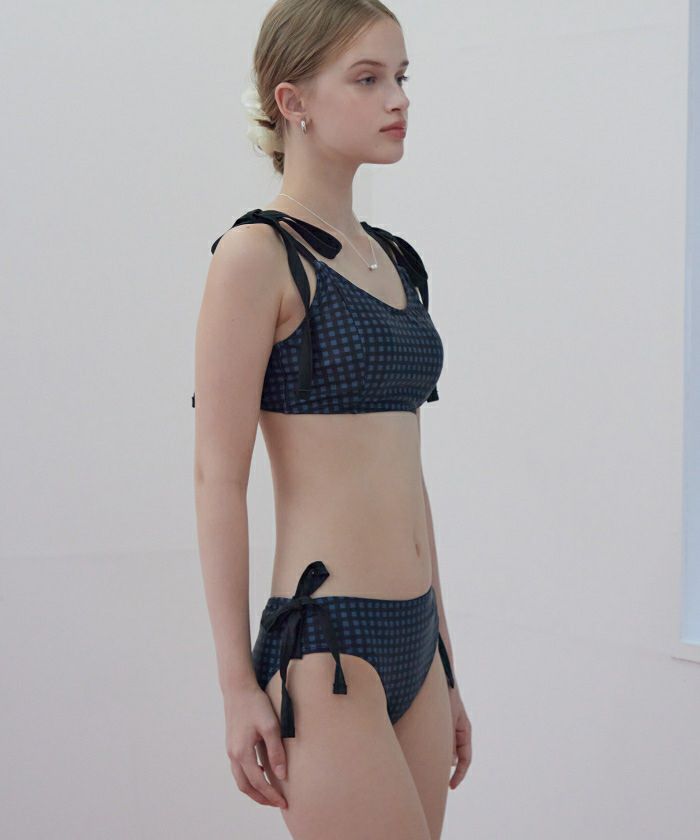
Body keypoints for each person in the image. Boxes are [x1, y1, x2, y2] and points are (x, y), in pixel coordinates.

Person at [192, 1, 472, 837]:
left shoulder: (395, 260)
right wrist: (237, 686)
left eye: (401, 77)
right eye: (367, 78)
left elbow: (406, 474)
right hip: (328, 643)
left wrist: (446, 659)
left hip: (416, 639)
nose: (398, 99)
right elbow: (217, 478)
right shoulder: (255, 257)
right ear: (293, 102)